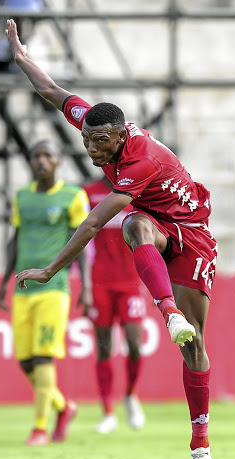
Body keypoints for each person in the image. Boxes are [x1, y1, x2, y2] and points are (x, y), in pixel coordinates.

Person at [6, 19, 219, 459]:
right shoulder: (94, 123)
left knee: (196, 348)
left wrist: (50, 269)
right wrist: (22, 59)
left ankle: (200, 448)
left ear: (122, 137)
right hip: (156, 223)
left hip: (193, 232)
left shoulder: (139, 161)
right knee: (137, 225)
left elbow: (91, 223)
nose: (90, 148)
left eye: (101, 143)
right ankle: (168, 313)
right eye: (87, 139)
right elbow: (53, 91)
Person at [0, 139, 92, 446]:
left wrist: (86, 286)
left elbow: (82, 244)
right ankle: (63, 408)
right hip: (23, 290)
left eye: (47, 155)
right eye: (35, 156)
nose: (41, 161)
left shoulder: (72, 196)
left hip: (55, 288)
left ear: (58, 161)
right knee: (25, 361)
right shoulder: (22, 197)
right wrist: (3, 281)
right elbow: (16, 238)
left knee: (42, 359)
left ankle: (40, 428)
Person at [83, 176, 146, 434]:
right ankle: (108, 411)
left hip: (131, 281)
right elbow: (82, 238)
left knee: (134, 345)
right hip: (100, 282)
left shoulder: (137, 190)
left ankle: (130, 395)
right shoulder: (88, 193)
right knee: (104, 348)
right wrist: (85, 285)